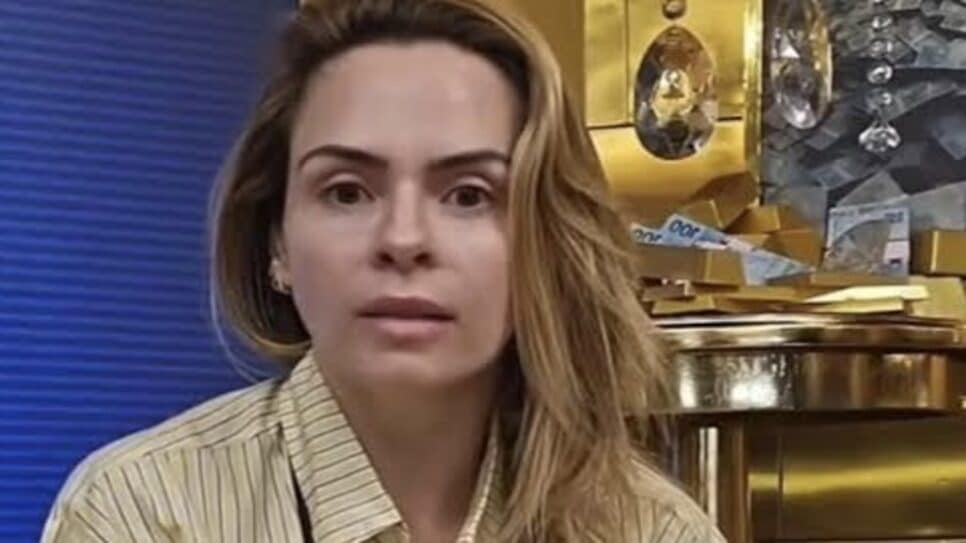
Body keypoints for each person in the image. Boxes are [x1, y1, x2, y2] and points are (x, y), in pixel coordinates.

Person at [41, 0, 725, 541]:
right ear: (278, 243)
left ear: (545, 244)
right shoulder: (140, 512)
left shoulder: (651, 529)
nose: (403, 239)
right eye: (346, 192)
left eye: (468, 195)